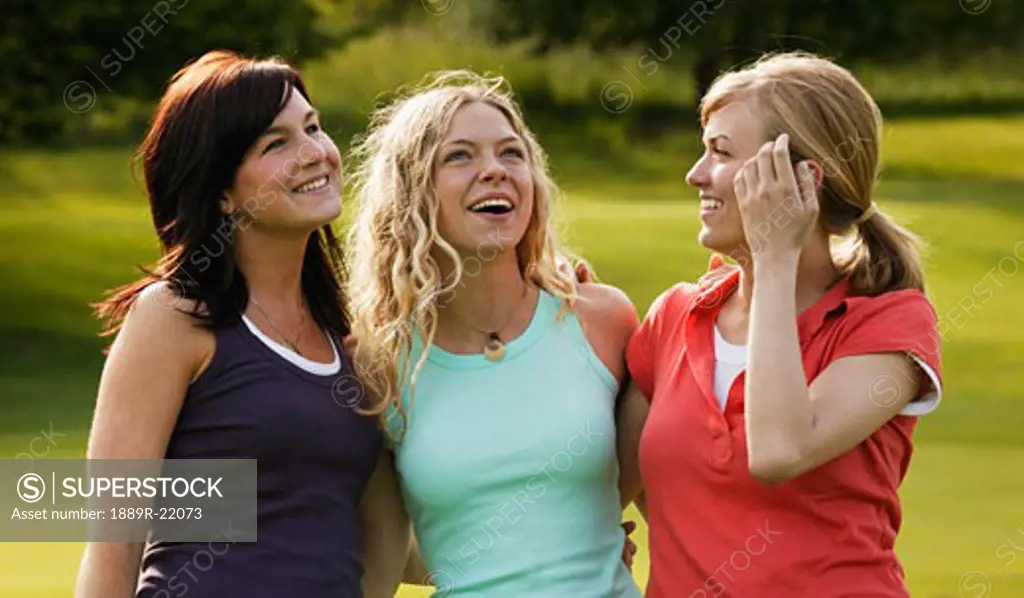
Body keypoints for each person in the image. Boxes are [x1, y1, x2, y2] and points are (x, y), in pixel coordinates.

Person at [74, 50, 404, 598]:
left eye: (313, 127)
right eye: (276, 144)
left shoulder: (353, 335)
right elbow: (114, 543)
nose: (315, 154)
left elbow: (374, 532)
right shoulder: (174, 319)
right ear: (221, 193)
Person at [616, 51, 944, 597]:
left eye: (720, 152)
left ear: (801, 181)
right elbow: (607, 492)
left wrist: (772, 259)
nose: (695, 175)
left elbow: (777, 451)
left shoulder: (889, 322)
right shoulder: (674, 318)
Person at [344, 70, 642, 597]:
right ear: (412, 191)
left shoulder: (602, 320)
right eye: (459, 156)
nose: (495, 171)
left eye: (511, 153)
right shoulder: (379, 359)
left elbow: (678, 484)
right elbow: (381, 543)